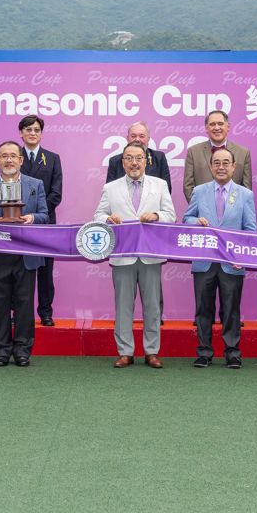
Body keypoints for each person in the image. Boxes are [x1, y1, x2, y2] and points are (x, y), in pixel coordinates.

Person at [94, 143, 176, 369]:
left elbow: (171, 215)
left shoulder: (159, 185)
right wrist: (107, 220)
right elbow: (98, 215)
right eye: (129, 158)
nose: (134, 162)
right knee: (123, 305)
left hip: (151, 254)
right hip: (123, 254)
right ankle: (125, 352)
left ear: (146, 160)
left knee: (152, 306)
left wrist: (157, 215)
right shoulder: (111, 187)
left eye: (139, 157)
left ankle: (151, 351)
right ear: (123, 162)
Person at [0, 141, 49, 367]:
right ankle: (1, 350)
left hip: (25, 254)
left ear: (21, 160)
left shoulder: (35, 185)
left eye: (13, 156)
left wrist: (32, 218)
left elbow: (44, 215)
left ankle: (22, 350)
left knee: (25, 305)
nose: (9, 160)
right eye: (4, 156)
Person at [183, 147, 256, 369]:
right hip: (204, 261)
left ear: (234, 167)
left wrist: (241, 256)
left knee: (231, 309)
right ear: (211, 166)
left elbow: (250, 230)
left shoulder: (245, 195)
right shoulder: (199, 191)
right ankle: (204, 352)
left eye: (226, 163)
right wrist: (197, 222)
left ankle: (232, 352)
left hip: (232, 262)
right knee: (203, 309)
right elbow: (187, 219)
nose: (221, 167)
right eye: (217, 163)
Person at [19, 115, 63, 326]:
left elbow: (56, 193)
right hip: (17, 223)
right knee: (17, 271)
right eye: (28, 129)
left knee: (45, 273)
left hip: (45, 224)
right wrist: (21, 214)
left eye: (36, 129)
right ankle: (17, 312)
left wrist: (37, 214)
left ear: (41, 133)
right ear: (21, 133)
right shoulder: (12, 156)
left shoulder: (52, 158)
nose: (32, 133)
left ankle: (45, 312)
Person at [183, 110, 252, 202]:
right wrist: (200, 208)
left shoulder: (243, 153)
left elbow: (246, 188)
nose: (216, 127)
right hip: (202, 214)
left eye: (220, 123)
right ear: (206, 128)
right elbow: (188, 187)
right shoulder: (193, 152)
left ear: (228, 127)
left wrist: (234, 208)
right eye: (212, 124)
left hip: (234, 213)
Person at [106, 121, 172, 192]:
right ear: (127, 138)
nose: (137, 139)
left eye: (141, 136)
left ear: (148, 139)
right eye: (133, 136)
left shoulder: (159, 158)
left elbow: (166, 189)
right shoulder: (115, 161)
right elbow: (110, 191)